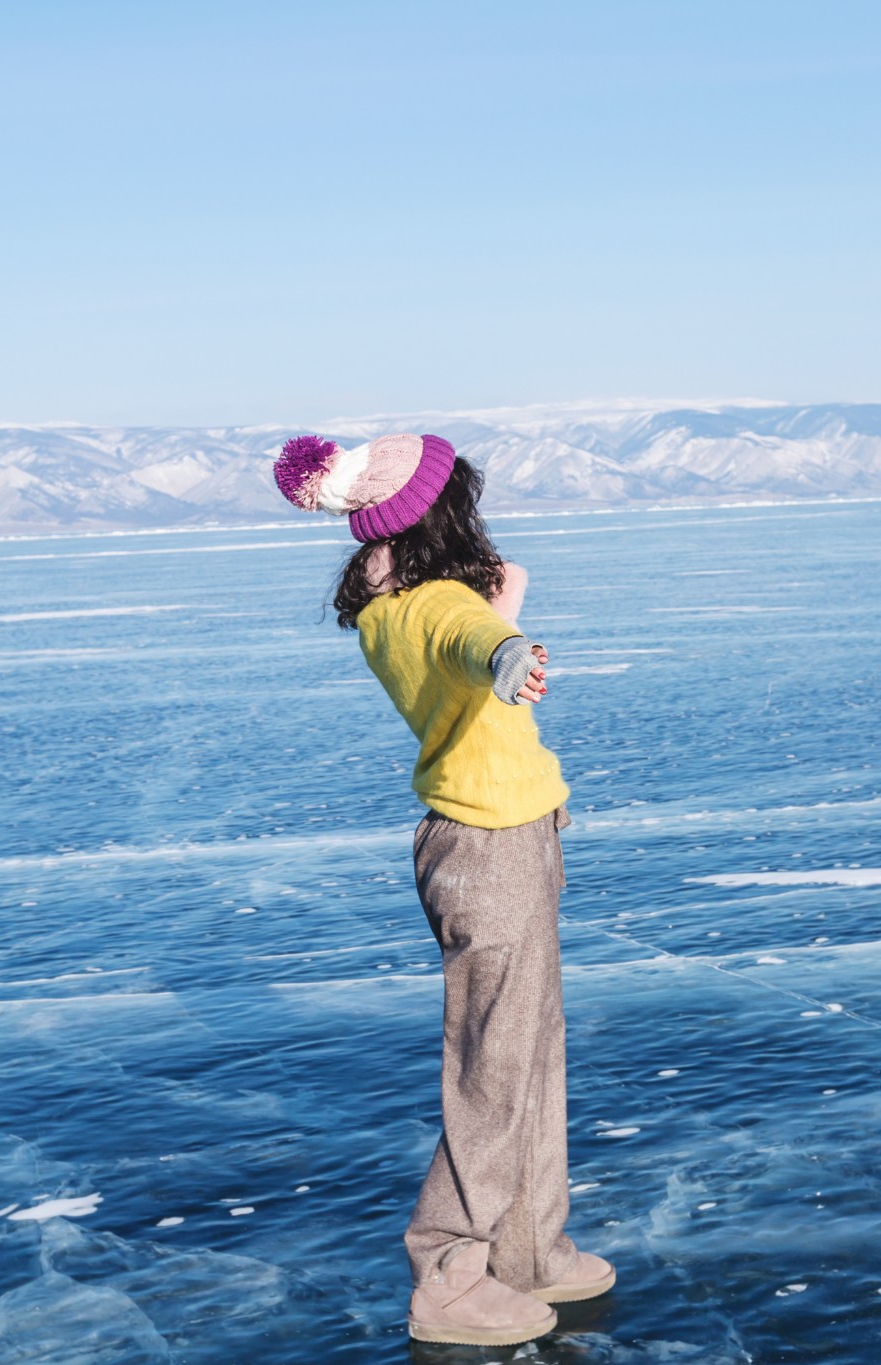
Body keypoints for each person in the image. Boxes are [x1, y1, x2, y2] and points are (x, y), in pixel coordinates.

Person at [272, 432, 617, 1348]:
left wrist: (500, 604)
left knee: (531, 1051)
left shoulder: (396, 600)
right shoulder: (436, 609)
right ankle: (451, 1273)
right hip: (489, 852)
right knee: (494, 1067)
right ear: (442, 512)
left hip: (501, 842)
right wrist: (511, 648)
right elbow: (473, 640)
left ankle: (530, 1250)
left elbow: (467, 614)